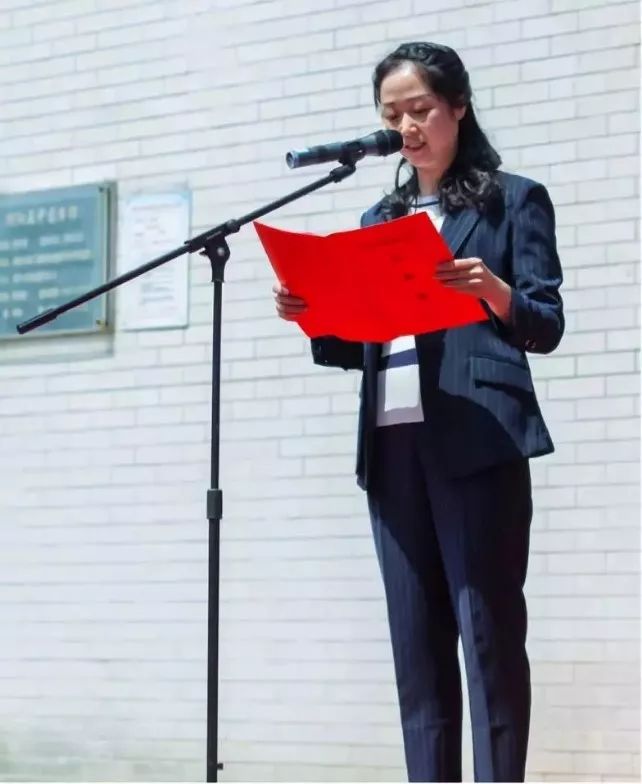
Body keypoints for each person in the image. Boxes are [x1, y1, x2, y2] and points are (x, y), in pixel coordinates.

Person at [273, 41, 563, 783]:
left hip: (476, 439)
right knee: (416, 648)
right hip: (391, 444)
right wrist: (314, 316)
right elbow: (364, 341)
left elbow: (545, 325)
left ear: (458, 107)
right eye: (392, 114)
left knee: (488, 637)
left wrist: (493, 290)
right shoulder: (379, 216)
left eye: (421, 109)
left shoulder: (512, 200)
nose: (406, 127)